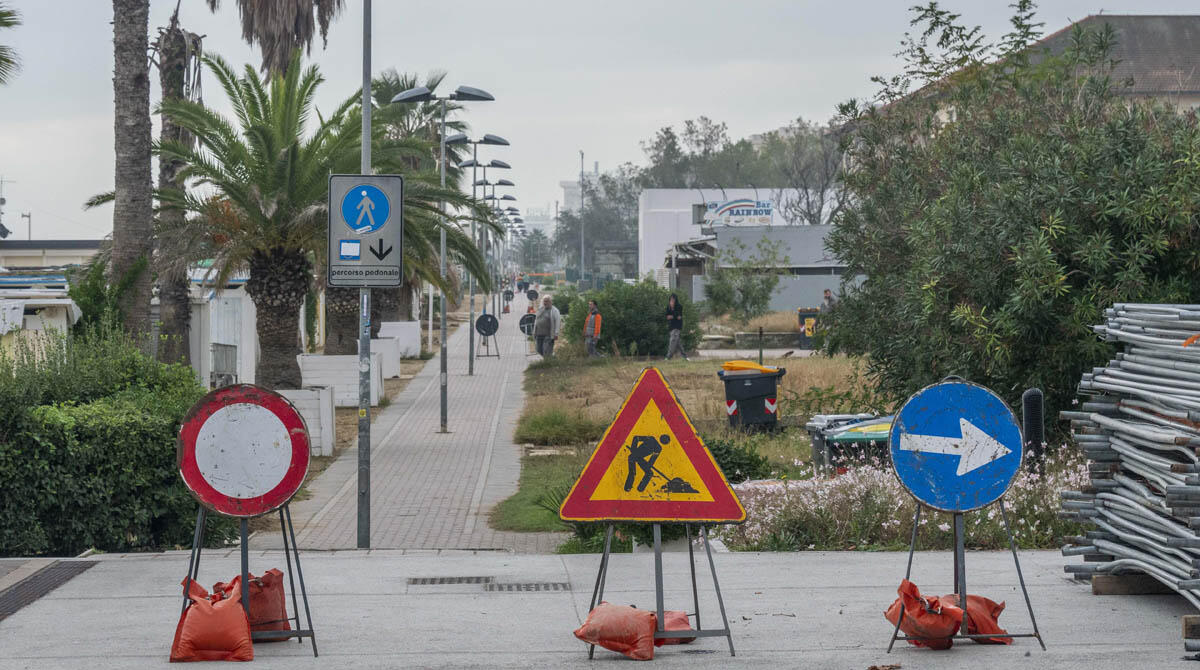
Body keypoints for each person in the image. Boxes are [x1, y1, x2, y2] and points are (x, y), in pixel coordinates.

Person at [664, 293, 687, 360]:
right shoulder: (668, 306)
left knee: (672, 341)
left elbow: (679, 317)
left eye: (673, 299)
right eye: (671, 299)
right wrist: (674, 316)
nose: (672, 301)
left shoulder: (679, 306)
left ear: (676, 300)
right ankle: (684, 357)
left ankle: (668, 357)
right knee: (677, 342)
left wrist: (672, 313)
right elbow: (667, 316)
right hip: (671, 326)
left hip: (677, 326)